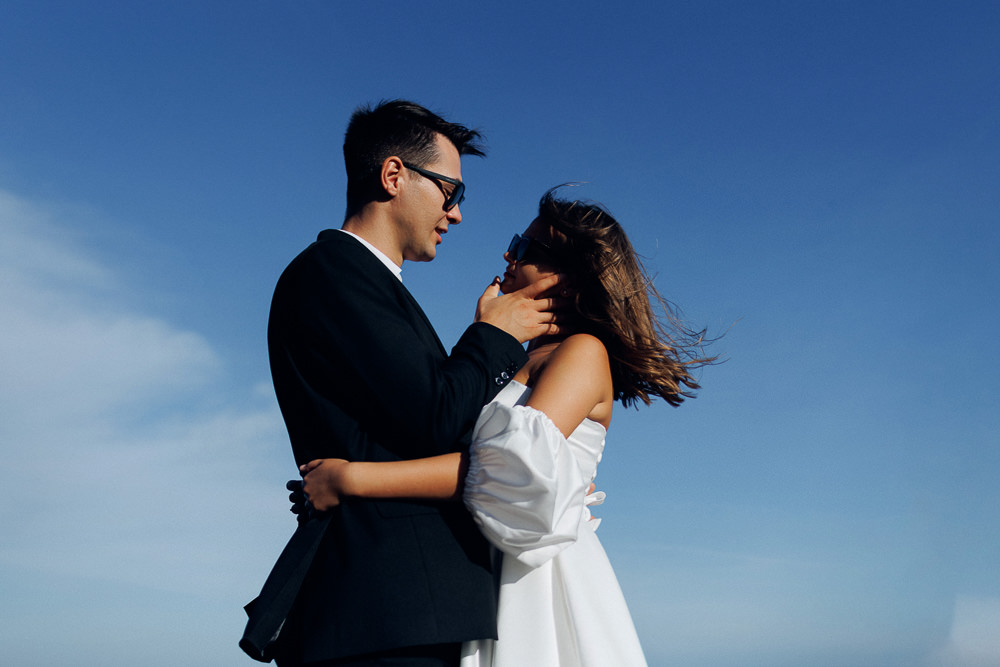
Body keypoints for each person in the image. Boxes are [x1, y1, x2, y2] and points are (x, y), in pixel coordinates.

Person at [297, 187, 716, 666]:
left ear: (568, 276)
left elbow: (505, 472)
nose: (507, 254)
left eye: (523, 248)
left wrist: (351, 478)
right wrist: (485, 335)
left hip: (539, 579)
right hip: (484, 572)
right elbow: (448, 431)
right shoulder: (523, 354)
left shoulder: (581, 352)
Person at [240, 100, 565, 667]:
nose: (457, 214)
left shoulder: (369, 285)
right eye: (451, 192)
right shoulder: (332, 274)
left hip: (403, 613)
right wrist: (494, 334)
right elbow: (437, 417)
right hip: (385, 615)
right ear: (394, 176)